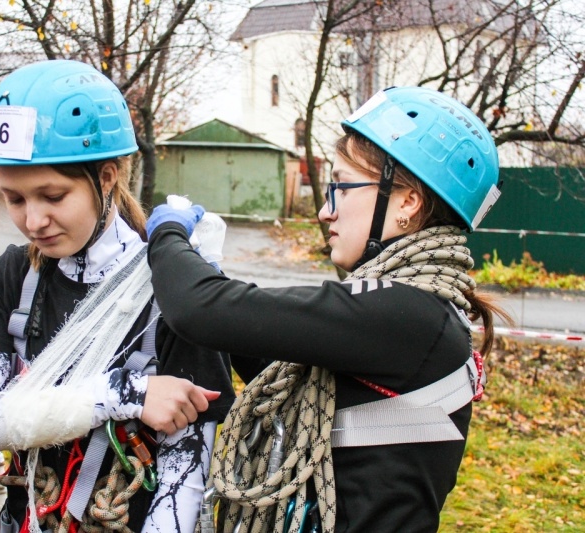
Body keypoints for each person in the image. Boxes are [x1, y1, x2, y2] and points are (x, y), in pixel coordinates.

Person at [145, 86, 510, 532]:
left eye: (341, 186)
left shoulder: (406, 313)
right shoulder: (418, 312)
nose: (324, 210)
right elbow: (274, 359)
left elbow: (199, 309)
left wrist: (167, 234)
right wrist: (212, 283)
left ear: (407, 202)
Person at [0, 59, 236, 533]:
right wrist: (125, 393)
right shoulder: (14, 277)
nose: (33, 221)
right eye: (15, 199)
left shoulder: (174, 287)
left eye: (53, 196)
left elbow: (184, 480)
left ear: (107, 176)